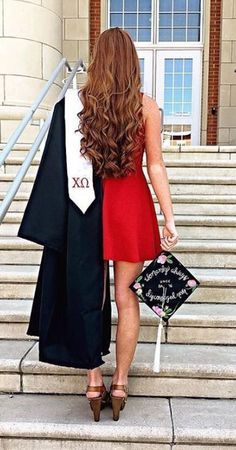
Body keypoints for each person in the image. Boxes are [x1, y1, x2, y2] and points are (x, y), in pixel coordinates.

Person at [78, 27, 179, 421]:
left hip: (89, 205)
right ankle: (119, 382)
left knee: (92, 294)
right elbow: (155, 164)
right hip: (132, 206)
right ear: (132, 62)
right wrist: (169, 218)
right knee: (126, 296)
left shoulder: (80, 105)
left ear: (99, 59)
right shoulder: (147, 107)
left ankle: (93, 381)